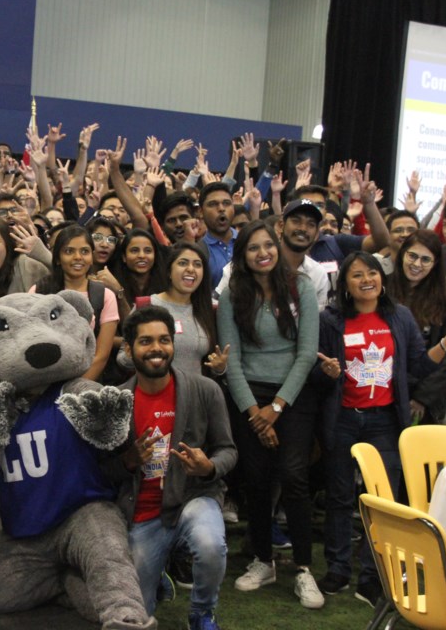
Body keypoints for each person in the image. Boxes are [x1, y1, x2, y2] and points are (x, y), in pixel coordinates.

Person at [314, 251, 446, 606]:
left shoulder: (398, 316)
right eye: (356, 275)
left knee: (382, 499)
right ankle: (337, 569)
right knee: (339, 497)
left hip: (385, 421)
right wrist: (328, 373)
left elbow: (418, 363)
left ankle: (372, 576)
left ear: (382, 279)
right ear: (345, 285)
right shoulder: (330, 320)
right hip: (342, 419)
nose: (366, 279)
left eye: (372, 272)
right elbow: (316, 367)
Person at [216, 220, 323, 609]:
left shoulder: (301, 287)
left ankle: (304, 569)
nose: (263, 253)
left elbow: (307, 353)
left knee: (294, 478)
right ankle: (263, 559)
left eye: (268, 245)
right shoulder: (232, 295)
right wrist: (254, 412)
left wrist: (276, 409)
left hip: (292, 396)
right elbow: (233, 360)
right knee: (257, 480)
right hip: (249, 396)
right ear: (242, 256)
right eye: (253, 248)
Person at [113, 306, 237, 630]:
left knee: (211, 545)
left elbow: (229, 450)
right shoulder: (117, 402)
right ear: (129, 349)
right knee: (139, 614)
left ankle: (202, 612)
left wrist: (209, 467)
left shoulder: (204, 390)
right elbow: (101, 469)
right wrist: (127, 462)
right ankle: (157, 577)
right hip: (143, 514)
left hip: (194, 499)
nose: (156, 348)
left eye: (164, 340)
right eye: (146, 341)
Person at [117, 242, 223, 379]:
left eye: (197, 264)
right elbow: (122, 360)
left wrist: (220, 368)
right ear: (169, 272)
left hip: (195, 395)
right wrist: (141, 351)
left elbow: (212, 365)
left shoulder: (208, 311)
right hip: (154, 393)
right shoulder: (147, 305)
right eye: (183, 263)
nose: (191, 269)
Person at [386, 230, 446, 424]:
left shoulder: (445, 302)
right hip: (382, 392)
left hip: (425, 401)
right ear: (403, 254)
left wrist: (422, 398)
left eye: (426, 260)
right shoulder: (382, 289)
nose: (417, 264)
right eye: (412, 256)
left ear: (435, 264)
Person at [31, 225, 119, 381]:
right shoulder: (39, 290)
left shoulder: (105, 296)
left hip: (87, 383)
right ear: (57, 258)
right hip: (42, 382)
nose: (78, 257)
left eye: (84, 251)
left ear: (92, 257)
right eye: (69, 251)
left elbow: (101, 356)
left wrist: (70, 391)